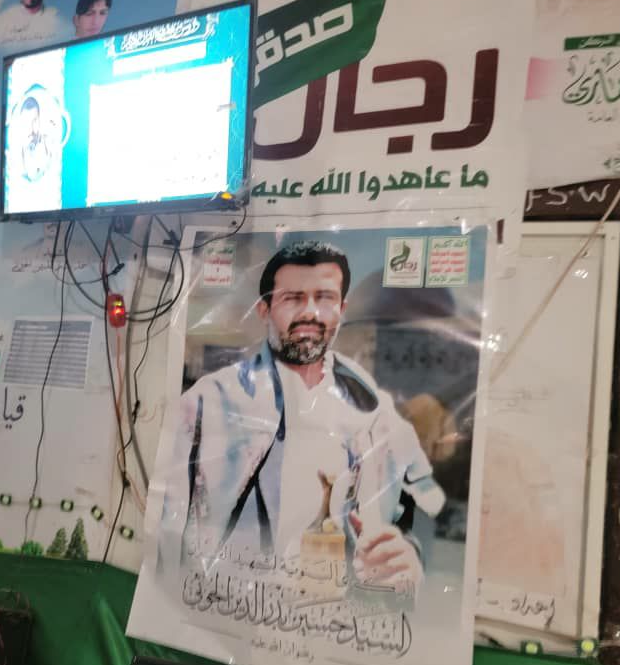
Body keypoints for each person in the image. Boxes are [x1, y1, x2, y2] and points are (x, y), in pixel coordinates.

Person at [159, 241, 445, 591]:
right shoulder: (209, 402)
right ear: (264, 309)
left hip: (334, 610)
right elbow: (167, 525)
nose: (310, 312)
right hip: (232, 602)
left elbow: (427, 503)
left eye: (324, 298)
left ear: (341, 309)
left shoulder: (373, 408)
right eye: (293, 298)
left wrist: (409, 552)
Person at [19, 96, 51, 181]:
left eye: (34, 121)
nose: (31, 129)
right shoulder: (15, 158)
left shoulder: (47, 147)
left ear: (40, 120)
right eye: (27, 122)